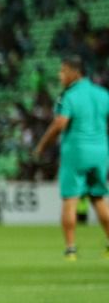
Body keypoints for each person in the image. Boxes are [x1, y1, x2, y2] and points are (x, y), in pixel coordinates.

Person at [34, 55, 109, 260]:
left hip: (77, 151)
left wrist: (42, 146)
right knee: (99, 197)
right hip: (101, 151)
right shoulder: (103, 94)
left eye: (63, 71)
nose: (60, 75)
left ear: (75, 72)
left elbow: (60, 124)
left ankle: (70, 248)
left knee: (70, 199)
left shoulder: (69, 95)